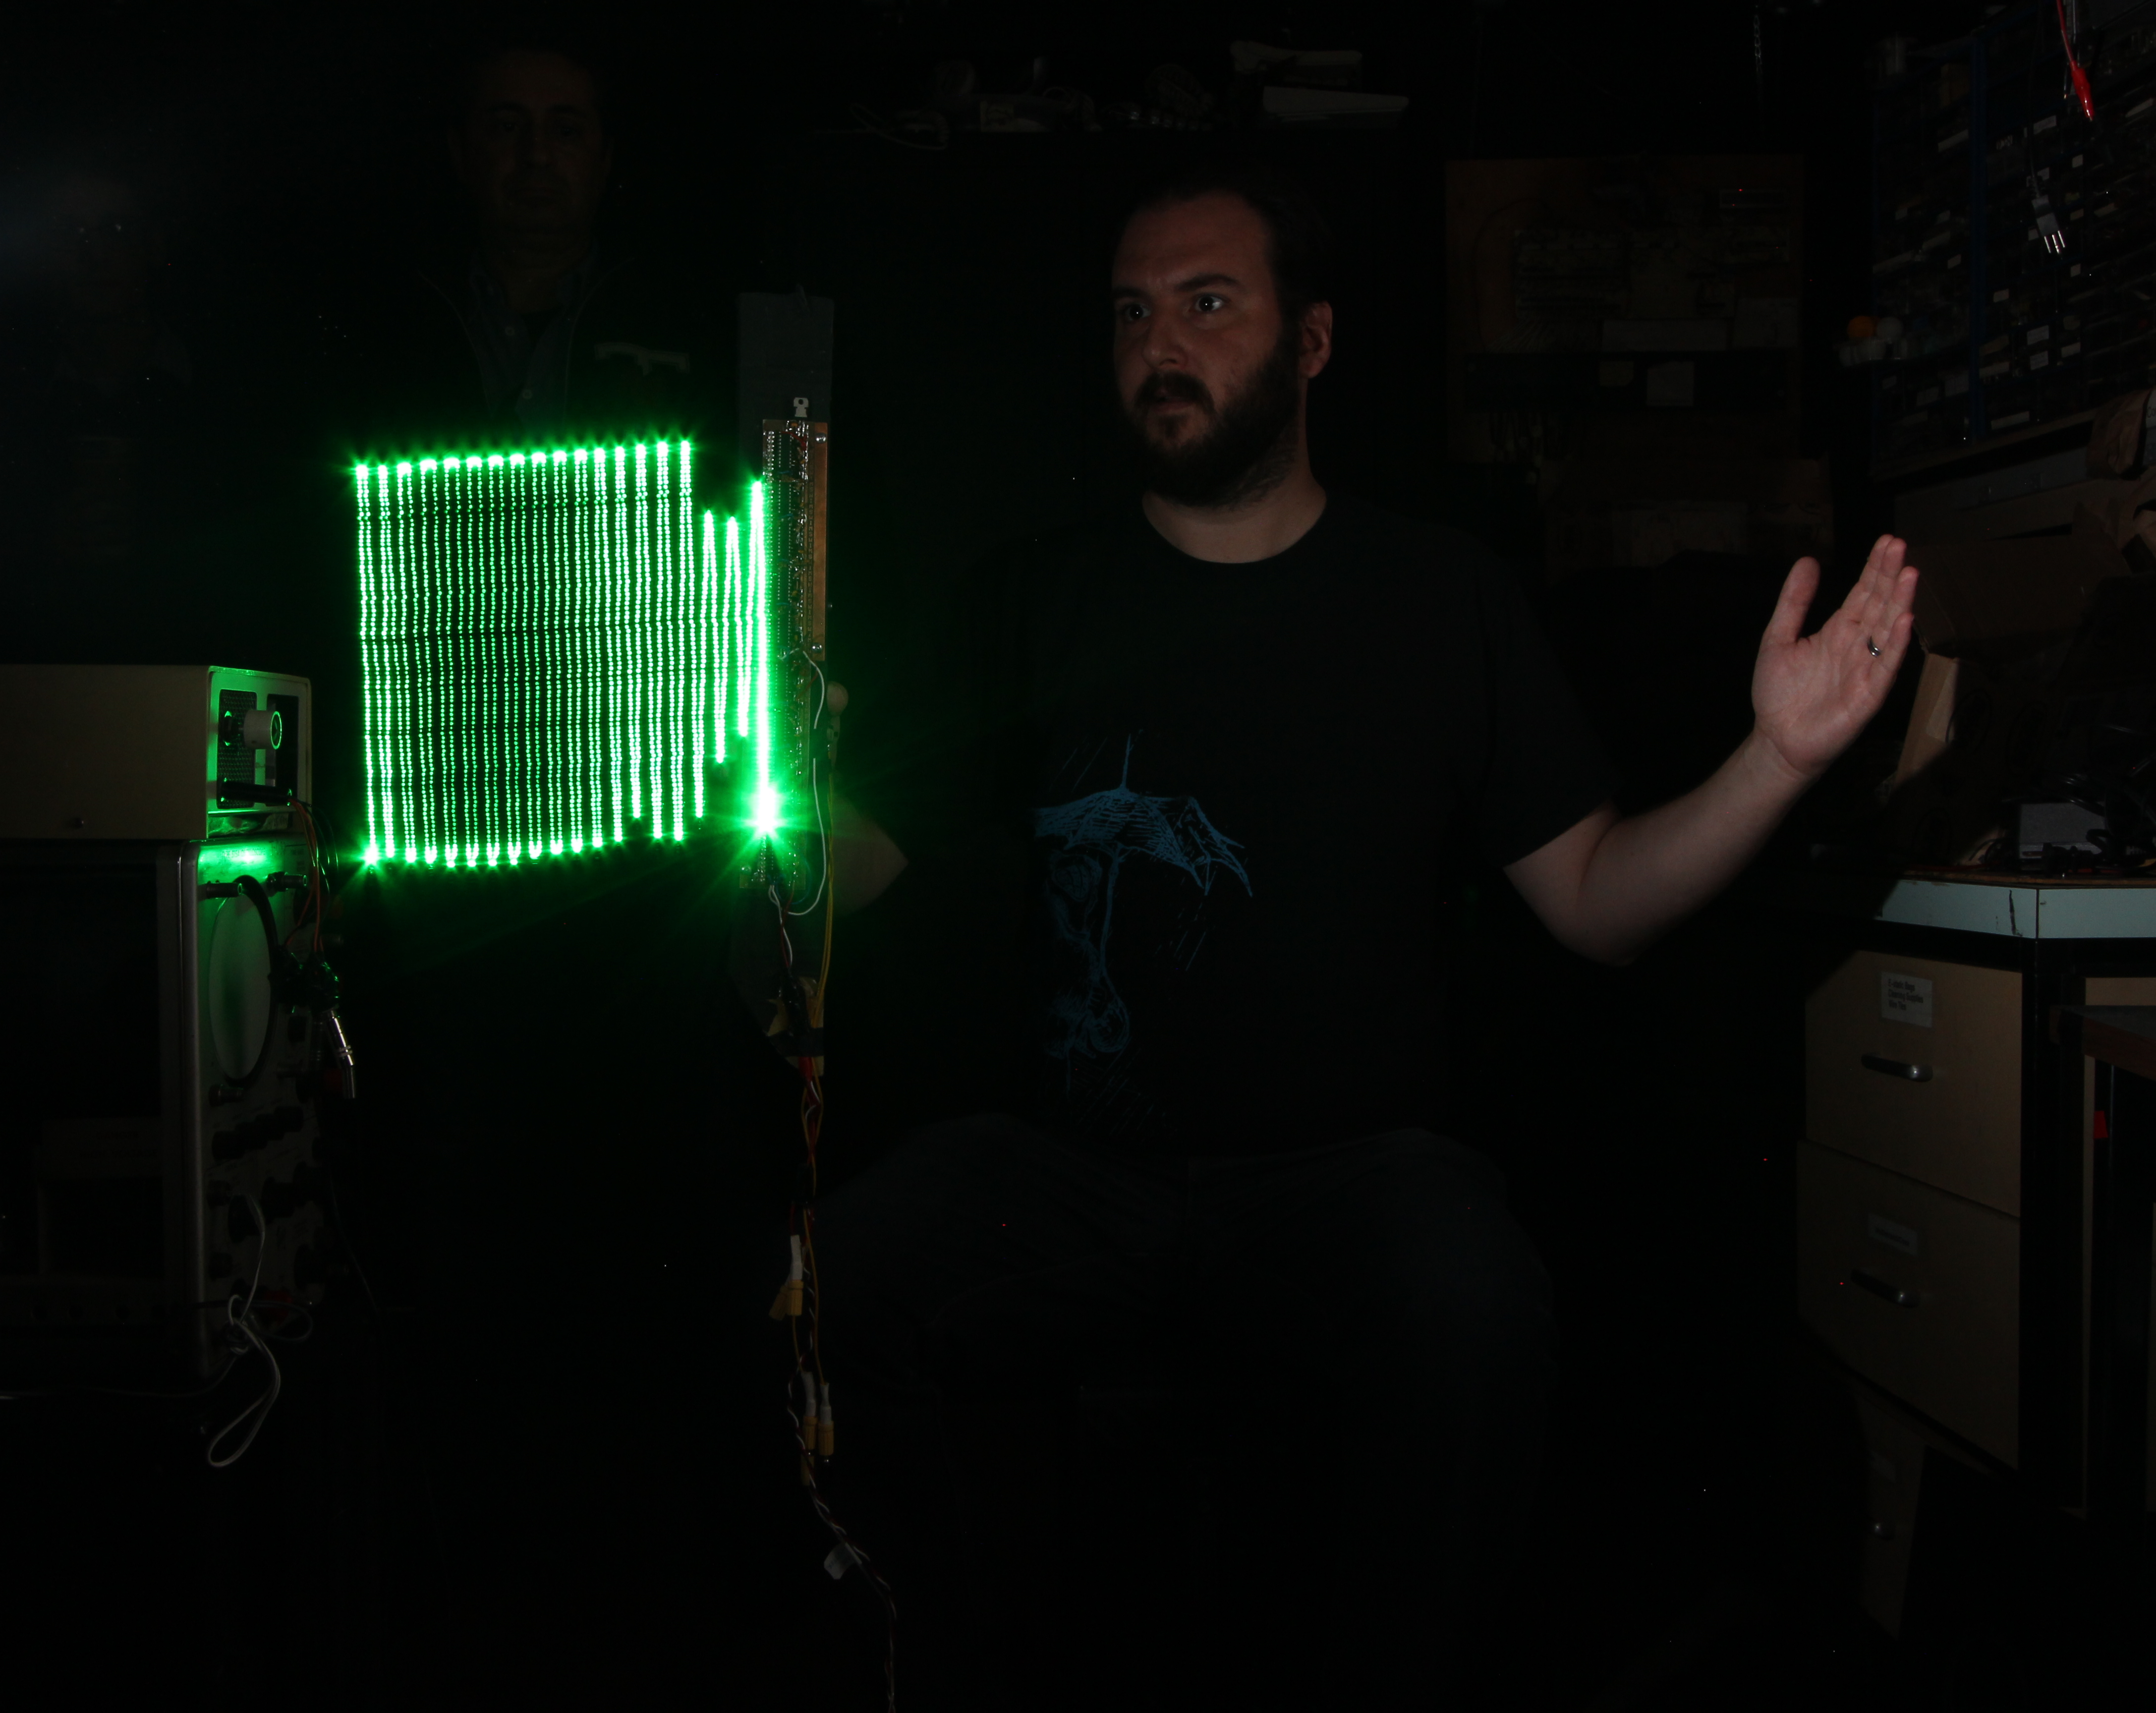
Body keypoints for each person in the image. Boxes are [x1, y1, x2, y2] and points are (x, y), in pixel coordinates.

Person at [815, 160, 1917, 1709]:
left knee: (1473, 1301)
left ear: (1314, 342)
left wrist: (1774, 764)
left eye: (1208, 303)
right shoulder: (1031, 598)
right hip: (1076, 1173)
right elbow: (852, 869)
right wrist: (752, 766)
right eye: (1131, 312)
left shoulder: (1436, 595)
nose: (1159, 344)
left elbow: (1597, 898)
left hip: (1351, 1173)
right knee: (834, 1277)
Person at [358, 37, 700, 444]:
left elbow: (765, 467)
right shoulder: (379, 324)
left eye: (566, 131)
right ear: (460, 152)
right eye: (507, 127)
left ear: (605, 157)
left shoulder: (694, 317)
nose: (537, 155)